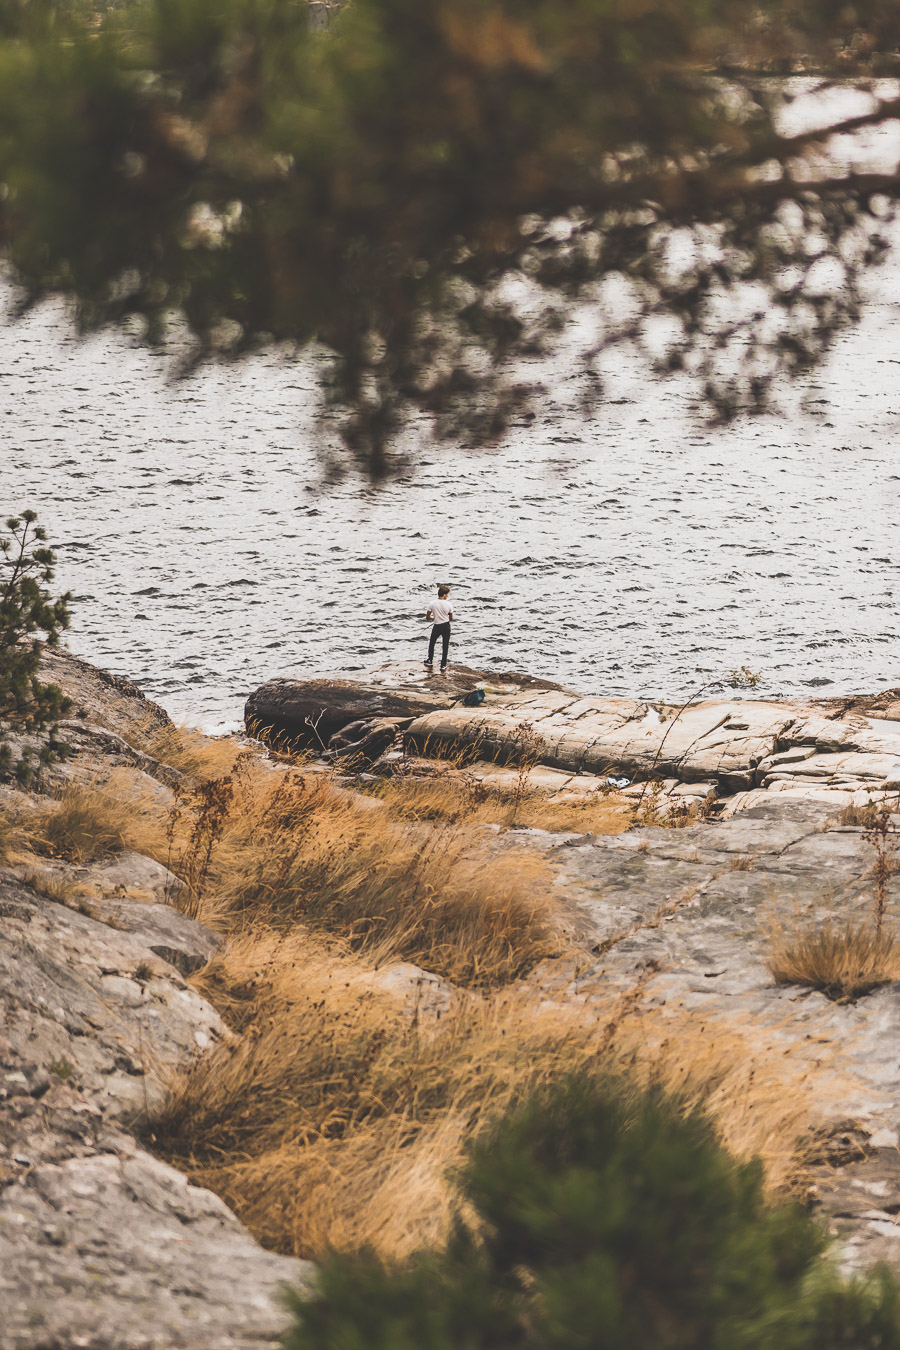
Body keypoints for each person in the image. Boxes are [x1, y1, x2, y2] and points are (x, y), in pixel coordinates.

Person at [424, 584, 453, 672]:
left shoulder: (432, 603)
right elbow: (451, 618)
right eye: (447, 594)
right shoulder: (449, 604)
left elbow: (428, 617)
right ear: (444, 594)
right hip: (446, 626)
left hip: (437, 626)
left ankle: (430, 660)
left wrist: (434, 617)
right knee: (445, 646)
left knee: (432, 643)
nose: (448, 595)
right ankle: (443, 665)